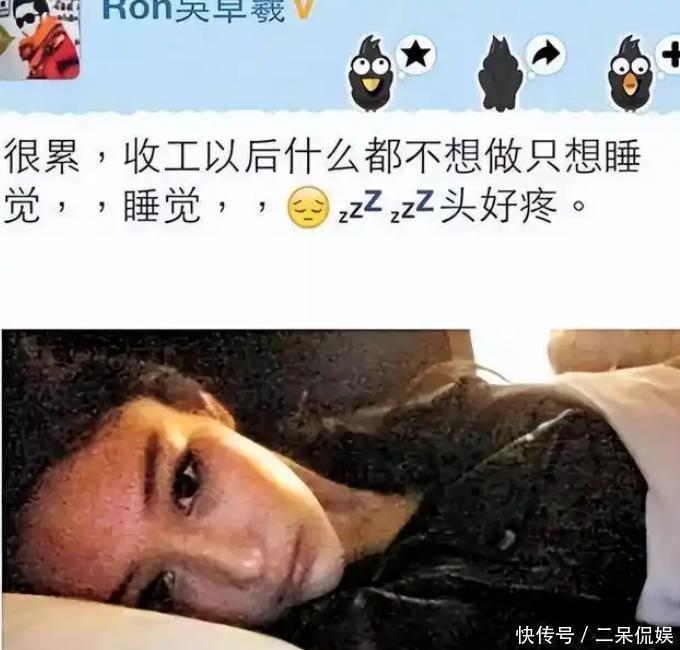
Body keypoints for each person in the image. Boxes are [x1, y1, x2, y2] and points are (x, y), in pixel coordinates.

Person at [2, 333, 668, 649]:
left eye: (187, 484)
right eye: (158, 591)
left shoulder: (417, 426)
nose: (244, 565)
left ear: (203, 405)